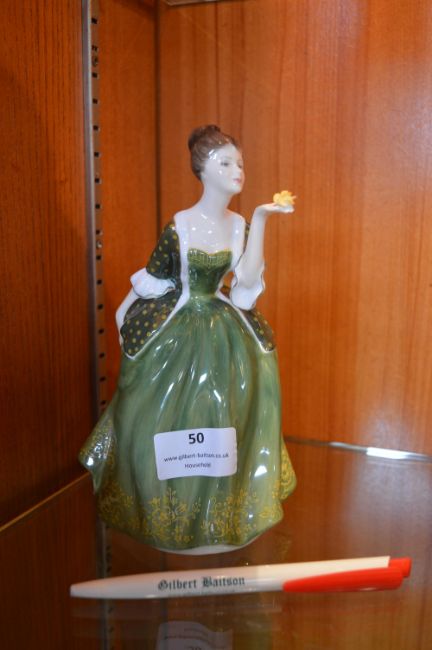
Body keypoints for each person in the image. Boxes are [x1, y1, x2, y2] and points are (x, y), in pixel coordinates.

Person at [79, 125, 296, 554]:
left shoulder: (239, 225)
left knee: (238, 397)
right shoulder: (179, 226)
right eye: (226, 163)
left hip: (222, 324)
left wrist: (261, 219)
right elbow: (155, 278)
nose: (237, 171)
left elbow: (244, 292)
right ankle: (165, 510)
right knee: (155, 411)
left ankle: (224, 513)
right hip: (178, 326)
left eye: (240, 163)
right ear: (203, 169)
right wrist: (124, 315)